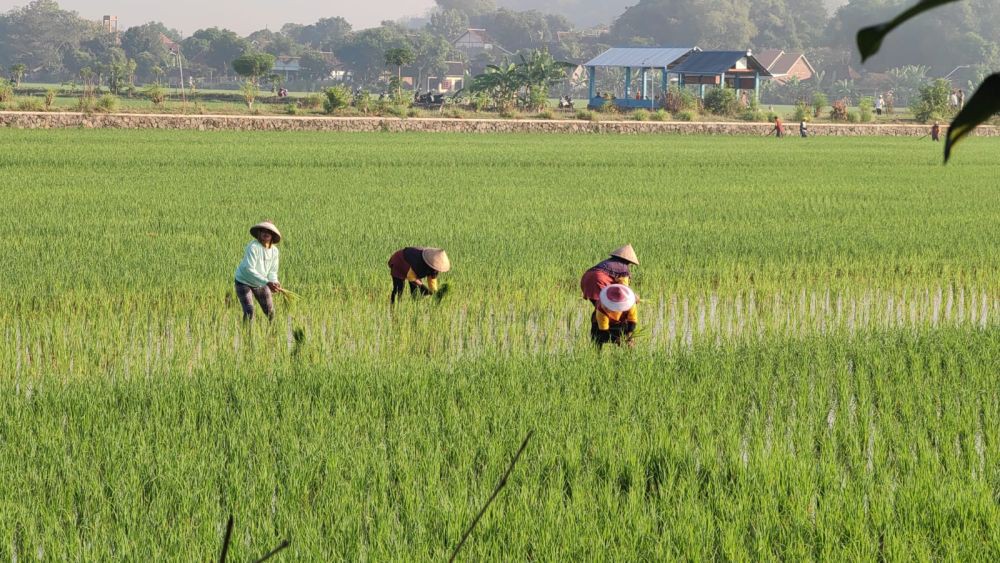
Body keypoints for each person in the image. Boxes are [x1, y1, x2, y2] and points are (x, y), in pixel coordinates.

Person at [234, 221, 282, 322]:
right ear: (259, 234)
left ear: (272, 236)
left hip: (261, 283)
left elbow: (272, 272)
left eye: (269, 231)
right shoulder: (253, 247)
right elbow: (249, 269)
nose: (266, 233)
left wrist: (274, 282)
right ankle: (247, 335)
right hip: (243, 281)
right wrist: (267, 282)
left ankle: (273, 333)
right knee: (249, 311)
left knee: (270, 312)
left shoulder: (274, 251)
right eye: (263, 231)